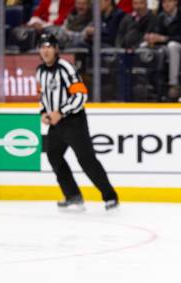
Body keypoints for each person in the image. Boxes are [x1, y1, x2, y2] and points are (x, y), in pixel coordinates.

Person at [36, 33, 119, 211]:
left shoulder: (66, 68)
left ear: (56, 49)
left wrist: (62, 112)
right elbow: (43, 96)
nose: (46, 50)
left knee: (86, 159)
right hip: (56, 123)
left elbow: (81, 95)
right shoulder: (40, 71)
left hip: (74, 121)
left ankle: (110, 196)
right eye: (42, 46)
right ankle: (73, 195)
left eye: (49, 46)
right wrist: (44, 112)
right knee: (53, 155)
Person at [142, 0, 181, 100]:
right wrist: (151, 38)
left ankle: (173, 84)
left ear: (175, 2)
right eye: (164, 2)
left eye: (169, 1)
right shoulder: (160, 17)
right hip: (165, 47)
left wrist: (164, 39)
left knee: (173, 46)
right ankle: (146, 82)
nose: (166, 4)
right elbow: (156, 33)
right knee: (145, 46)